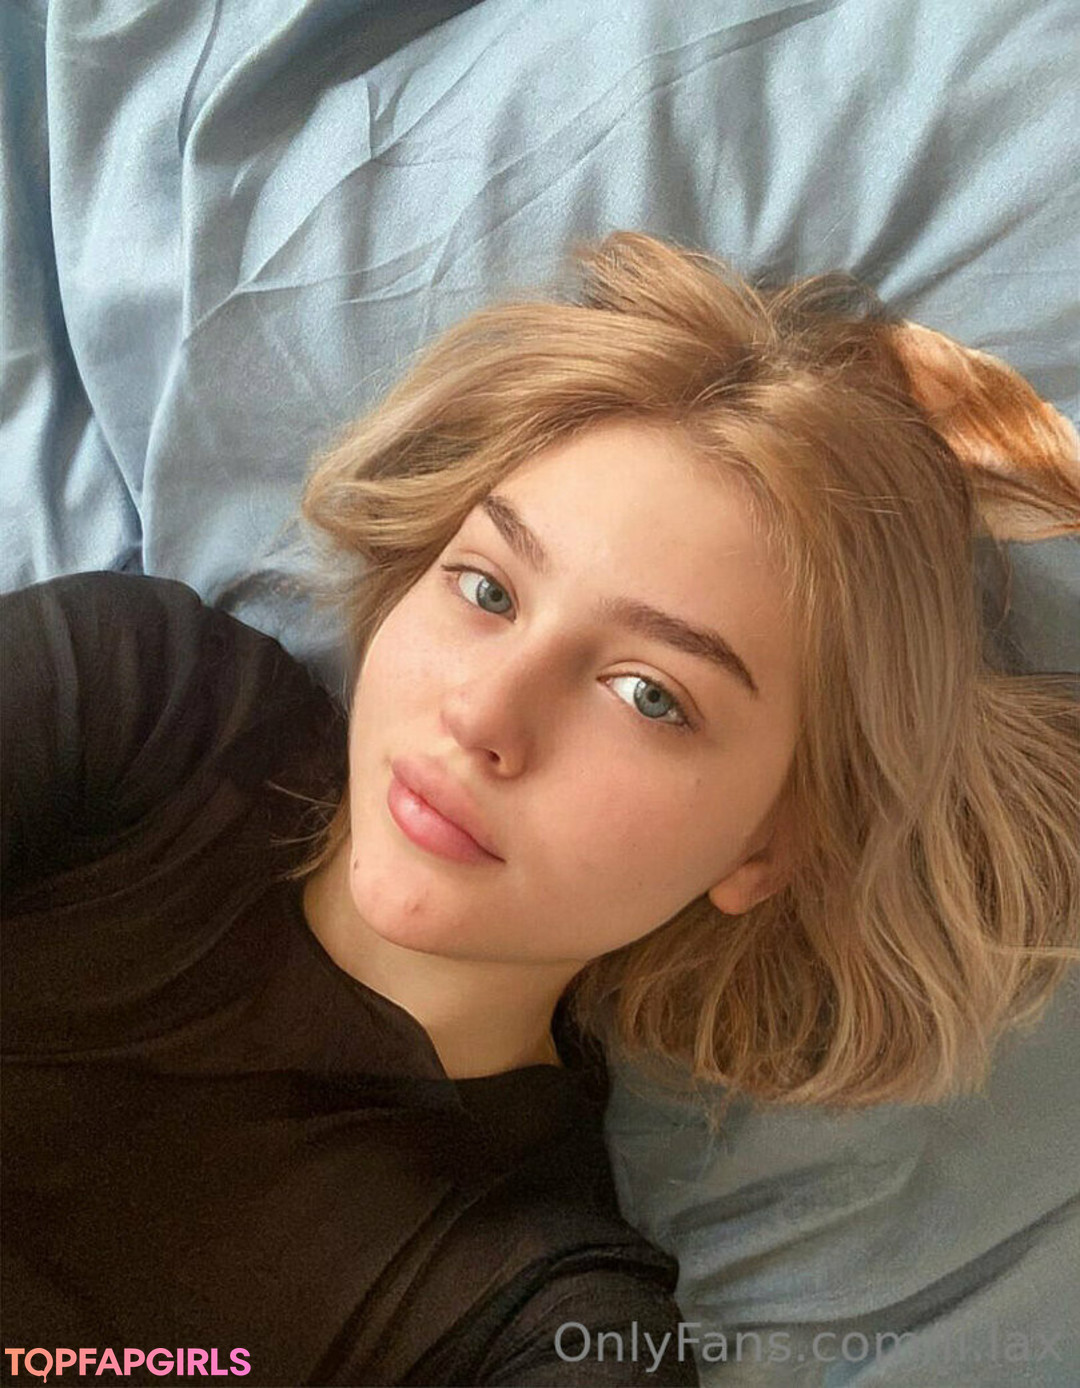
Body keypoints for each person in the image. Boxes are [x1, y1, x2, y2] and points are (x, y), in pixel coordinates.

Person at [2, 231, 1077, 1386]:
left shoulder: (541, 1317)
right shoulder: (139, 694)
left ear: (770, 843)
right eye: (487, 588)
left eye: (650, 694)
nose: (485, 712)